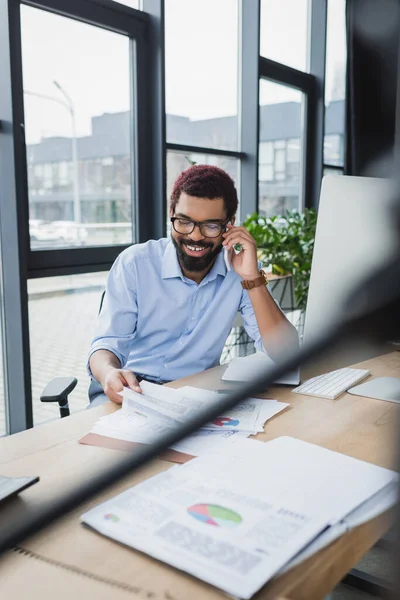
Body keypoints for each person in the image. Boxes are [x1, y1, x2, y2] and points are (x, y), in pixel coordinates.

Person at [88, 165, 298, 405]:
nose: (195, 236)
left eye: (210, 225)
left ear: (229, 225)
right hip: (128, 390)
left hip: (195, 397)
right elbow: (106, 345)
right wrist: (108, 373)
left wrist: (252, 278)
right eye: (185, 222)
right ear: (171, 213)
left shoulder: (240, 271)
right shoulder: (135, 263)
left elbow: (287, 355)